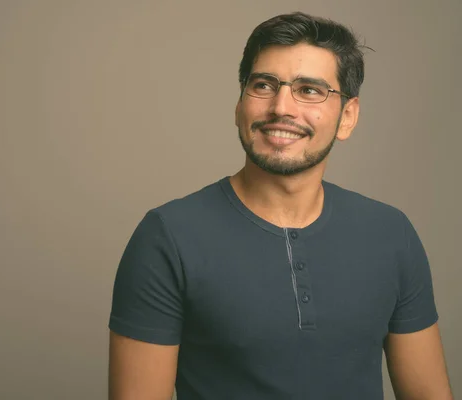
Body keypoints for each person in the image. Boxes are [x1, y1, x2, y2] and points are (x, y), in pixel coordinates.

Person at [107, 11, 453, 400]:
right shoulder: (168, 236)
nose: (281, 108)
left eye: (309, 90)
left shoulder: (391, 233)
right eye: (264, 85)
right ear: (239, 105)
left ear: (347, 117)